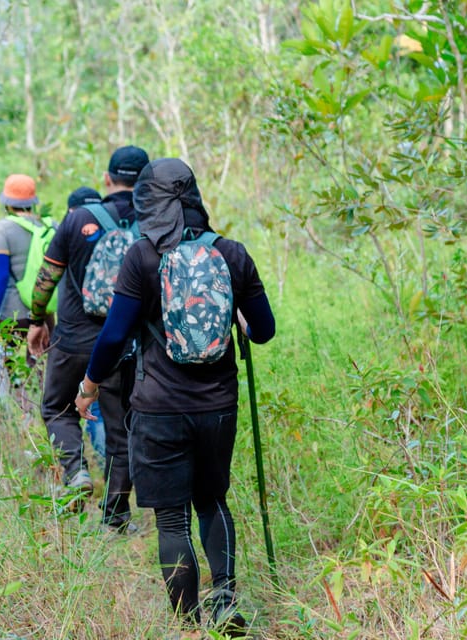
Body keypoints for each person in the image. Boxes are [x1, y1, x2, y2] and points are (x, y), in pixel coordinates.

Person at [73, 158, 276, 637]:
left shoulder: (142, 256)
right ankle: (225, 599)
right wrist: (240, 321)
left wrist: (89, 386)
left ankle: (189, 626)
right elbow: (263, 330)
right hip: (218, 406)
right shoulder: (232, 253)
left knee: (171, 520)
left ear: (147, 201)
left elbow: (114, 335)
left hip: (158, 406)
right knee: (213, 502)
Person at [27, 145, 150, 531]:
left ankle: (76, 471)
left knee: (57, 408)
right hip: (123, 345)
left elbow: (46, 279)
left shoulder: (78, 217)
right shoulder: (152, 220)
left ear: (107, 178)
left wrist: (36, 320)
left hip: (74, 339)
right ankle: (115, 517)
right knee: (120, 429)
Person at [0, 174, 56, 371]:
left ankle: (15, 401)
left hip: (13, 313)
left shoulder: (3, 228)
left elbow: (1, 277)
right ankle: (38, 402)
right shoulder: (49, 225)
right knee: (40, 370)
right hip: (44, 309)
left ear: (7, 202)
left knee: (10, 371)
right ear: (32, 201)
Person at [66, 186, 107, 471]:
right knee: (104, 409)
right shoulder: (116, 233)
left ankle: (80, 469)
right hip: (114, 336)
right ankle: (113, 471)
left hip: (75, 338)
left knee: (84, 406)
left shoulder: (67, 235)